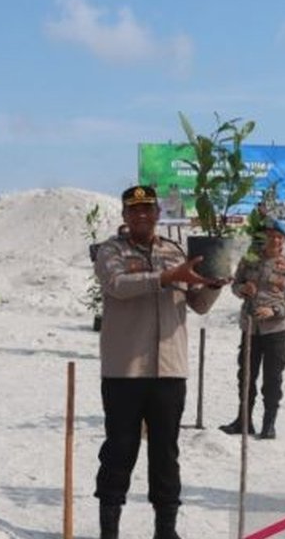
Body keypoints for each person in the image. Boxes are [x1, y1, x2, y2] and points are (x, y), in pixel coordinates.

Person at [93, 185, 223, 539]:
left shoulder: (174, 251)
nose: (142, 216)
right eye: (134, 211)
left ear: (157, 215)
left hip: (170, 369)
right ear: (124, 216)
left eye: (148, 210)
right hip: (125, 370)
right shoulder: (111, 251)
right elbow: (117, 284)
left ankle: (166, 529)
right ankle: (110, 530)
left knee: (166, 452)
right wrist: (166, 278)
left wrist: (214, 283)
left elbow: (196, 304)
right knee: (120, 448)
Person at [220, 220, 285, 438]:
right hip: (250, 328)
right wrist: (242, 289)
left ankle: (269, 424)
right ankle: (243, 421)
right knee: (246, 376)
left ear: (284, 241)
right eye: (271, 235)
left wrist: (274, 311)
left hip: (275, 330)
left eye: (279, 237)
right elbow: (235, 285)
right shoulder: (250, 260)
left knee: (272, 379)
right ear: (265, 237)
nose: (275, 240)